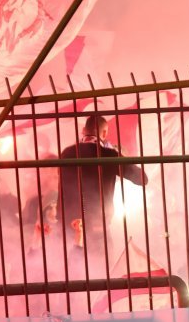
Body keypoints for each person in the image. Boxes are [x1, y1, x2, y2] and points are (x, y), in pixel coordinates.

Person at [59, 115, 147, 271]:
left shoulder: (67, 153)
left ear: (83, 131)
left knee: (72, 277)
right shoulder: (108, 155)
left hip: (70, 228)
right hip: (98, 229)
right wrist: (118, 157)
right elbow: (142, 179)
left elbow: (62, 192)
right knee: (102, 275)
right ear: (104, 133)